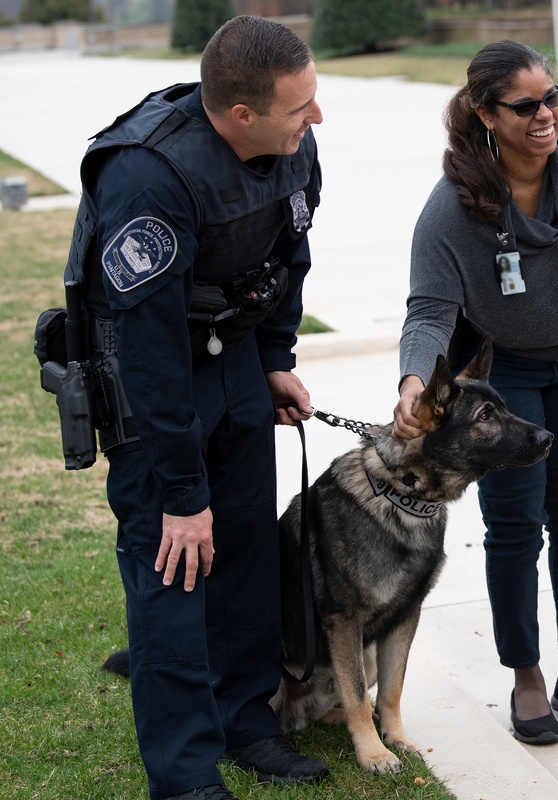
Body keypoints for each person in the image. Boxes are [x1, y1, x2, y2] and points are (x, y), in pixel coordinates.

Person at [66, 16, 327, 800]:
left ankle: (246, 721)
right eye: (300, 107)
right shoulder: (148, 176)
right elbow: (144, 350)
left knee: (245, 544)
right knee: (176, 563)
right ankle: (184, 773)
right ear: (239, 115)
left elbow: (291, 254)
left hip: (236, 358)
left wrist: (276, 360)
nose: (316, 119)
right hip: (152, 377)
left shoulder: (291, 145)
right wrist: (182, 494)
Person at [392, 40, 558, 745]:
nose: (547, 114)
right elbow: (429, 311)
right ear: (486, 115)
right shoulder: (452, 208)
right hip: (502, 381)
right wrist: (416, 377)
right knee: (513, 529)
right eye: (526, 105)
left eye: (553, 96)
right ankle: (526, 677)